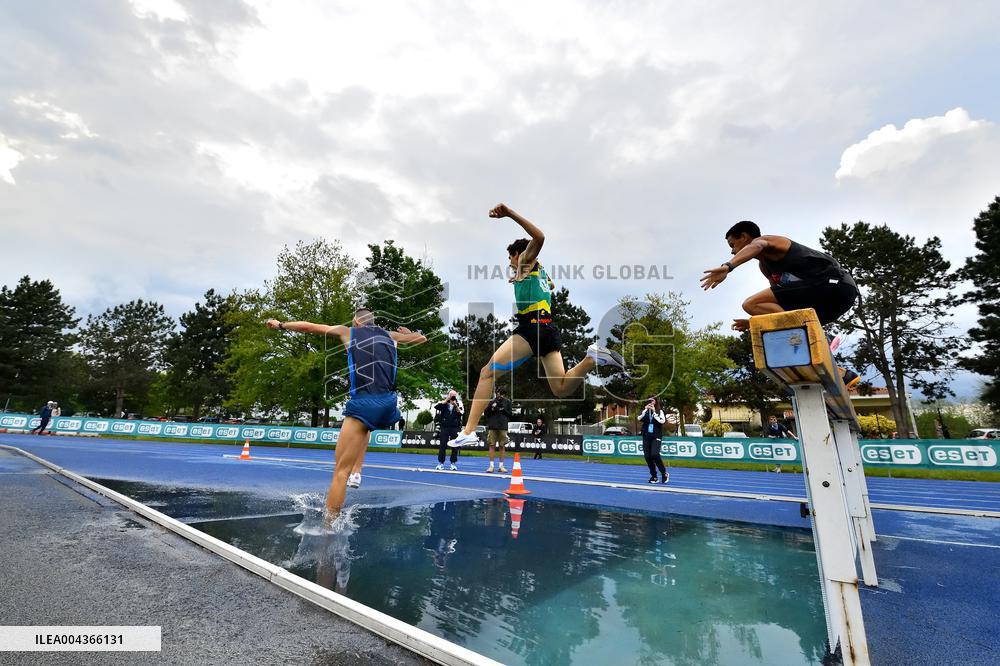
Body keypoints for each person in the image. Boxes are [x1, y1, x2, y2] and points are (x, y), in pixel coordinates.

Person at [448, 204, 626, 448]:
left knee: (486, 373)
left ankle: (468, 431)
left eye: (511, 257)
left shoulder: (525, 262)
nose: (510, 263)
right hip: (547, 328)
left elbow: (539, 237)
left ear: (519, 254)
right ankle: (591, 358)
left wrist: (509, 214)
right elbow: (550, 286)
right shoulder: (539, 271)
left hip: (531, 329)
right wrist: (524, 279)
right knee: (561, 387)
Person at [265, 309, 426, 521]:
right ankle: (358, 470)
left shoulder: (348, 332)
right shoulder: (390, 335)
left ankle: (328, 527)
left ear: (357, 321)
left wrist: (280, 325)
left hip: (364, 404)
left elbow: (309, 327)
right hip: (389, 404)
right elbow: (421, 338)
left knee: (341, 472)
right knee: (364, 428)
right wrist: (411, 332)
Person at [700, 220, 861, 388]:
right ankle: (844, 374)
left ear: (745, 237)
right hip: (830, 301)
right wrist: (759, 320)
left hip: (834, 284)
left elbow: (757, 246)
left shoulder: (770, 241)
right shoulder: (766, 267)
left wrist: (728, 266)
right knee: (764, 313)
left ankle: (822, 337)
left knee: (750, 304)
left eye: (733, 245)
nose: (732, 251)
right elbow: (780, 304)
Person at [639, 397, 669, 484]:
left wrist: (655, 412)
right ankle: (654, 476)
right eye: (649, 401)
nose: (650, 402)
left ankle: (664, 473)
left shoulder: (660, 412)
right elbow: (639, 418)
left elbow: (662, 421)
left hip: (656, 436)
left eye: (652, 401)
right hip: (646, 437)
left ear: (656, 402)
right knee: (647, 457)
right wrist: (645, 410)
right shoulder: (646, 412)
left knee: (655, 454)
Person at [483, 387, 512, 473]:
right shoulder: (492, 402)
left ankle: (501, 466)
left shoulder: (507, 402)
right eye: (498, 393)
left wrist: (502, 409)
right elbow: (486, 414)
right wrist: (492, 408)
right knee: (492, 445)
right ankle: (491, 466)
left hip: (503, 426)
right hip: (492, 426)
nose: (499, 395)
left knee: (502, 446)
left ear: (504, 394)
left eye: (501, 394)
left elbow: (510, 414)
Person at [434, 390, 464, 470]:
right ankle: (441, 463)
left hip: (455, 427)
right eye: (451, 395)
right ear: (449, 395)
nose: (452, 397)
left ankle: (453, 463)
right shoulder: (444, 402)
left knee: (455, 445)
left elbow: (461, 413)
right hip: (445, 426)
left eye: (454, 395)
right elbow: (436, 407)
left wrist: (455, 405)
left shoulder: (459, 403)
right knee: (443, 445)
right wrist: (446, 400)